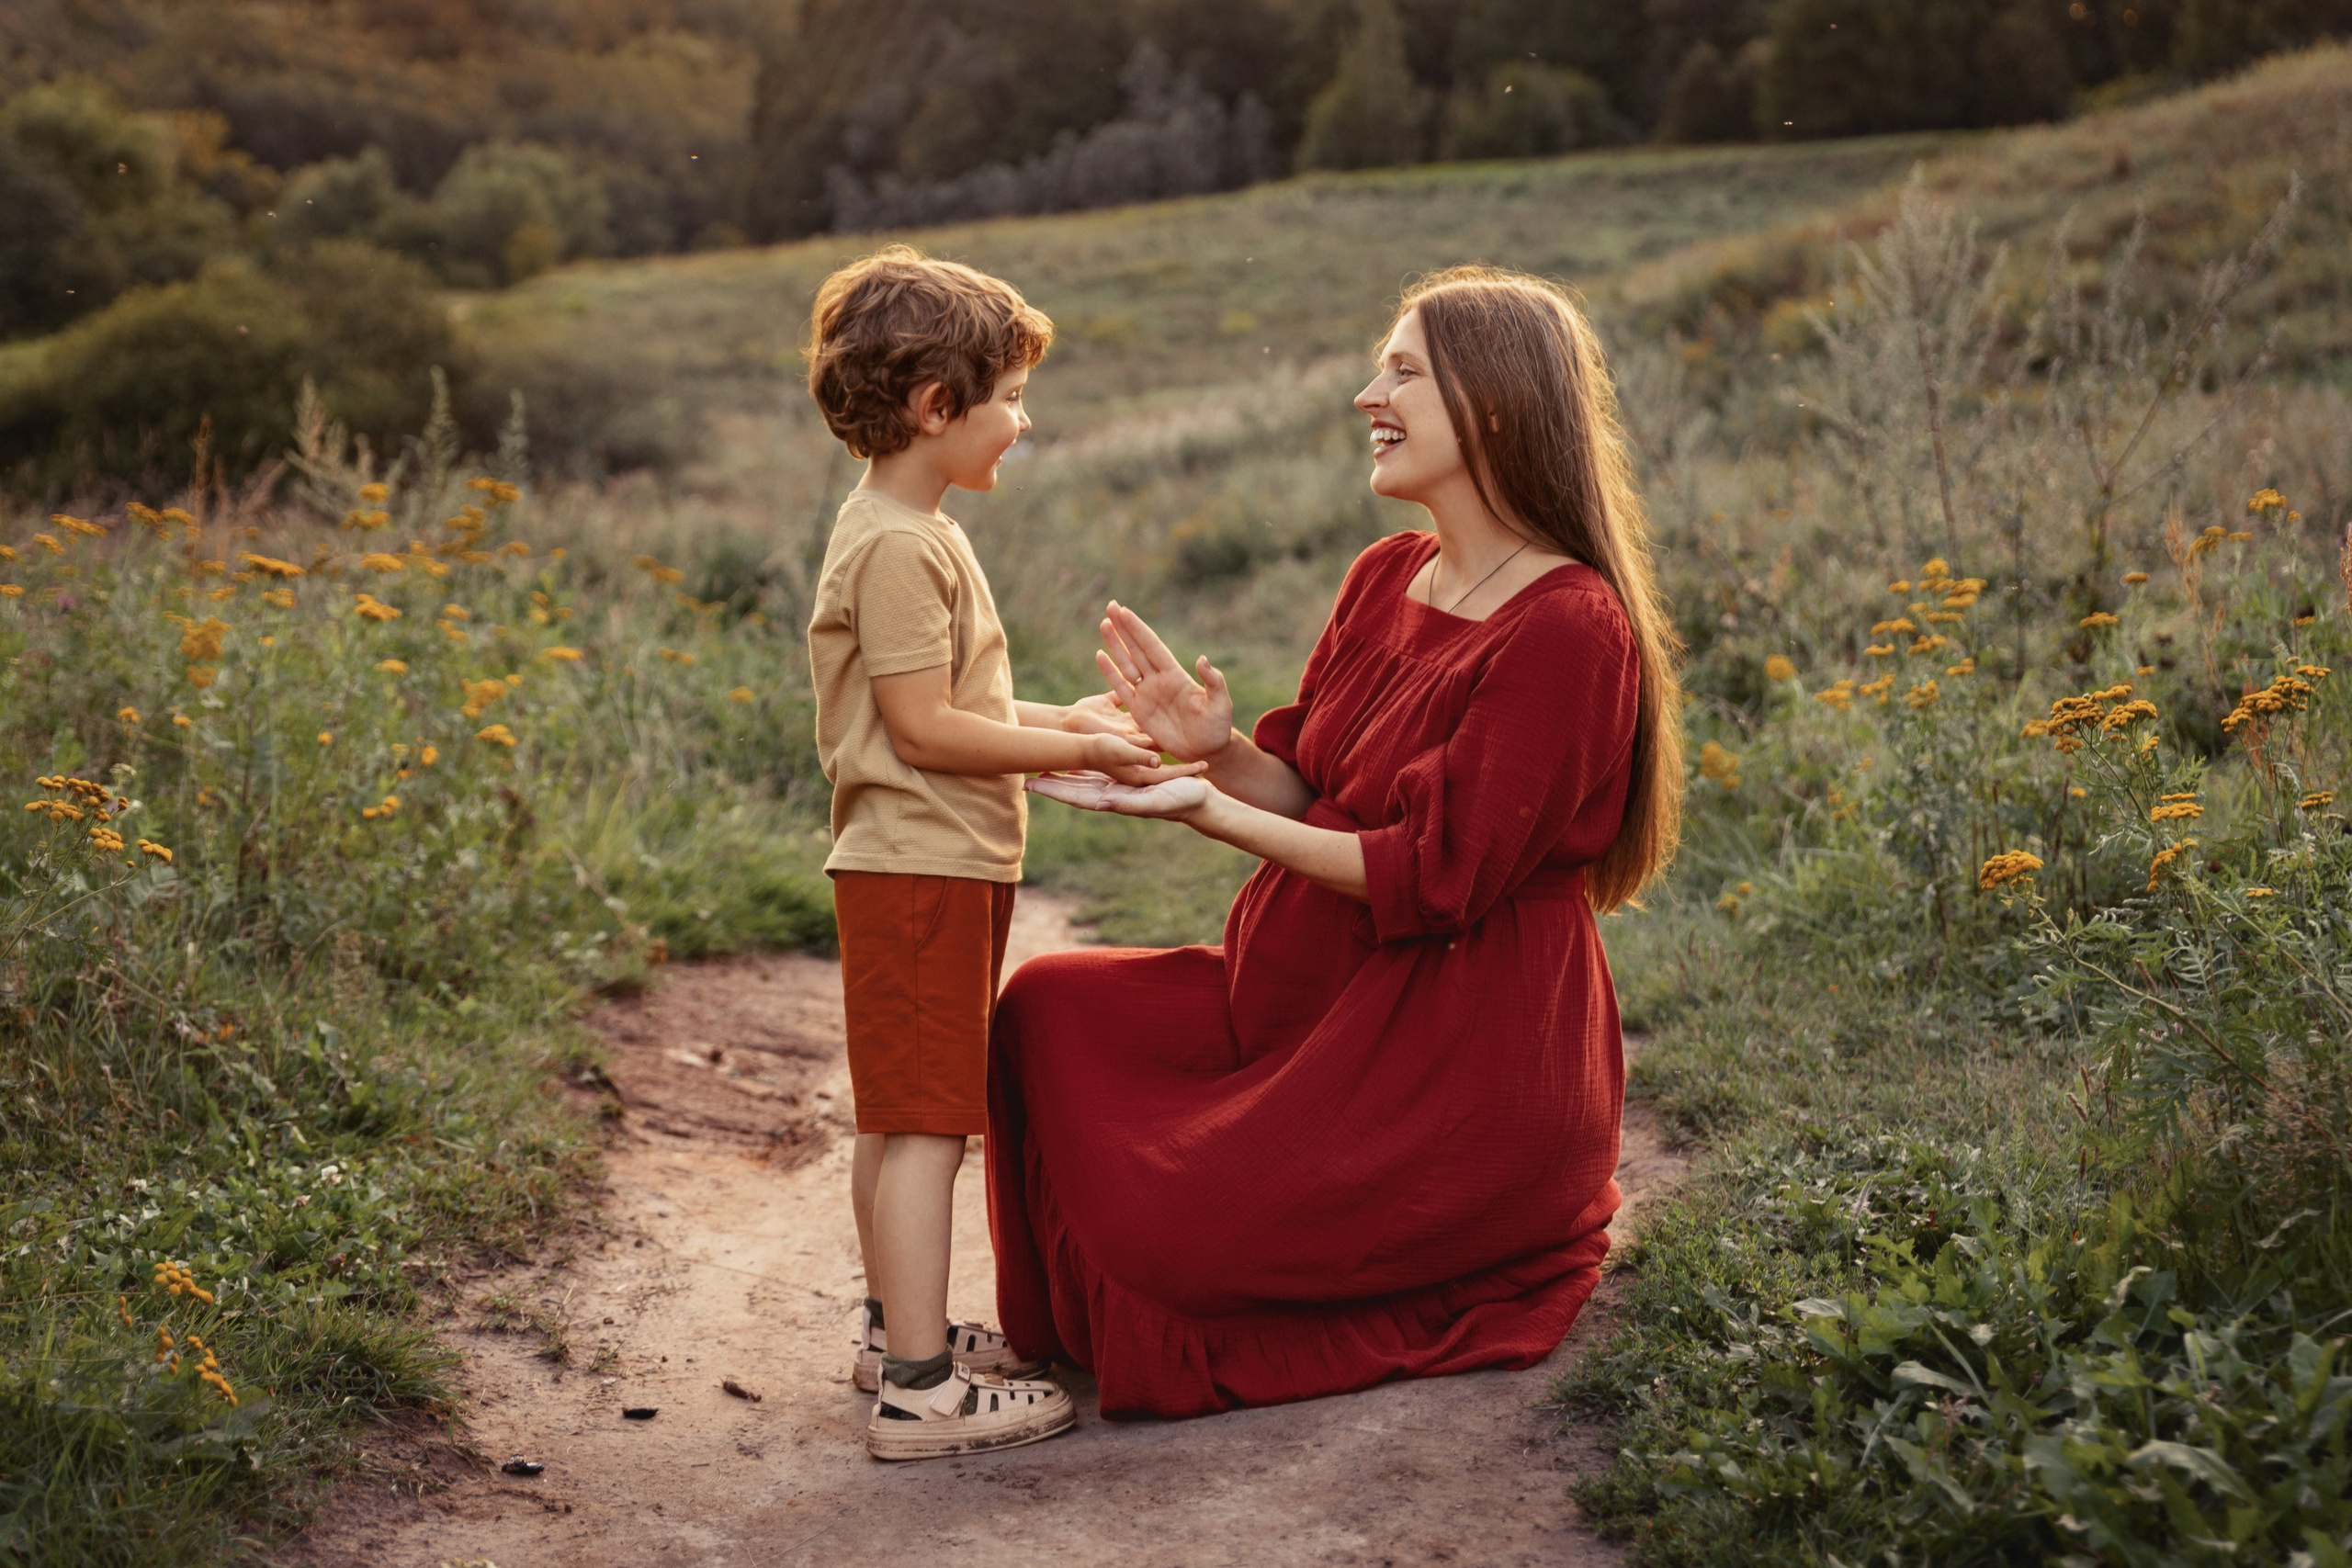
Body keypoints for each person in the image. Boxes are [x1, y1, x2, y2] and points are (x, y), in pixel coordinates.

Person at [999, 265, 1684, 1419]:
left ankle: (1458, 1234)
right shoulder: (1384, 576)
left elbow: (1431, 874)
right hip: (1302, 1002)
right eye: (1381, 365)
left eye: (1404, 370)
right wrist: (1213, 751)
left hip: (1454, 1049)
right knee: (1048, 1011)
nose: (1369, 393)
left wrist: (1211, 812)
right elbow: (1312, 787)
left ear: (1498, 404)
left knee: (1169, 1226)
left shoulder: (1571, 626)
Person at [802, 245, 1201, 1459]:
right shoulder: (897, 546)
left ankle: (893, 1333)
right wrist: (1054, 759)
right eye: (1012, 398)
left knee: (900, 1114)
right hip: (921, 865)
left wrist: (1066, 722)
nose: (1023, 423)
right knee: (927, 1122)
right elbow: (924, 729)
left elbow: (952, 697)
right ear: (937, 407)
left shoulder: (906, 525)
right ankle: (922, 1386)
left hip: (925, 862)